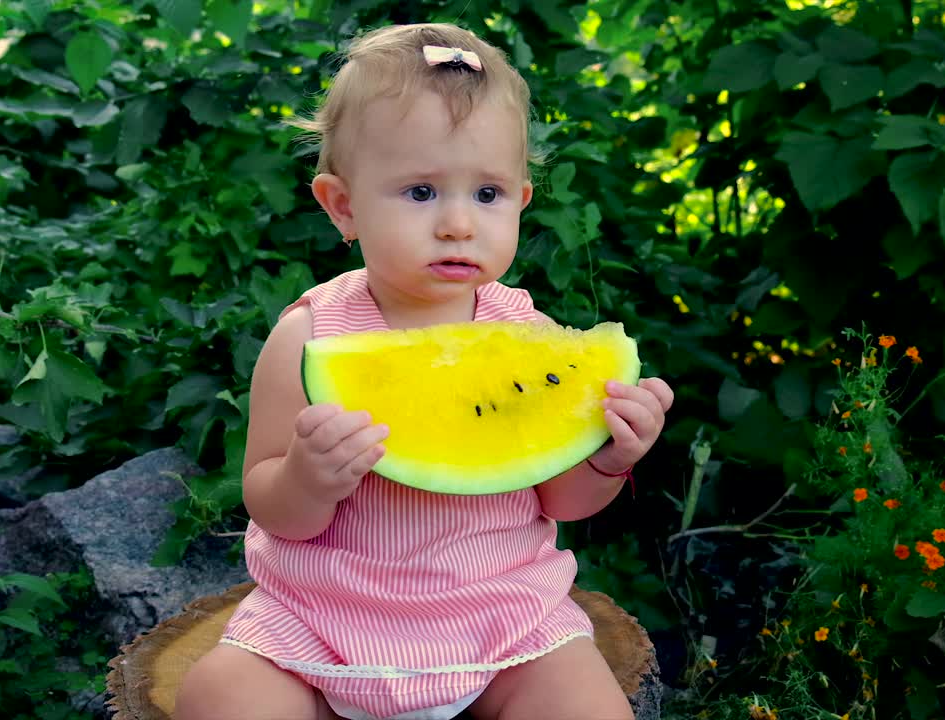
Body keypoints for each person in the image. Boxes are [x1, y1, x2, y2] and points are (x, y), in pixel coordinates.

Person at [174, 21, 674, 720]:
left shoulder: (530, 339)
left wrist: (610, 459)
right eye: (420, 193)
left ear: (523, 202)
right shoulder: (310, 340)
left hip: (505, 620)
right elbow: (267, 503)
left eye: (488, 195)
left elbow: (560, 500)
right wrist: (305, 481)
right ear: (341, 206)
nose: (459, 224)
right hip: (319, 623)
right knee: (218, 698)